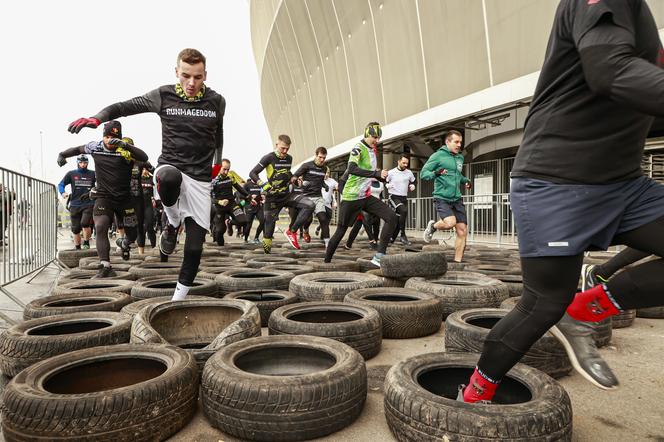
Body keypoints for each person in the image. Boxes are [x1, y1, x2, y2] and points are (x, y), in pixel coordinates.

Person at [458, 0, 664, 404]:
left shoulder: (644, 24)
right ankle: (474, 396)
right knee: (543, 304)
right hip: (555, 182)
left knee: (564, 304)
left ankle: (587, 308)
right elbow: (610, 72)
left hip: (623, 186)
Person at [67, 48, 225, 300]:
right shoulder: (162, 95)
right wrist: (97, 119)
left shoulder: (217, 101)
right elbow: (124, 106)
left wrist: (217, 162)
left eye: (197, 77)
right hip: (170, 166)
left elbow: (218, 135)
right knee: (169, 178)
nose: (191, 83)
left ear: (205, 74)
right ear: (177, 73)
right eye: (186, 76)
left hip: (200, 177)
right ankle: (172, 223)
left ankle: (177, 301)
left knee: (194, 249)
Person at [58, 121, 148, 277]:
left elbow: (144, 157)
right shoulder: (96, 147)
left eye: (113, 138)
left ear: (119, 138)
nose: (109, 141)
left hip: (124, 199)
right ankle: (105, 266)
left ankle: (125, 243)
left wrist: (124, 145)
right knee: (101, 226)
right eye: (106, 137)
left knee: (133, 234)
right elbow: (77, 149)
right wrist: (62, 155)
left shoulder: (125, 151)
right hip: (103, 197)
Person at [324, 122, 397, 266]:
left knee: (391, 217)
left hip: (366, 196)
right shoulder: (358, 147)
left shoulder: (373, 150)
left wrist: (380, 176)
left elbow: (368, 174)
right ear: (366, 134)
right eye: (374, 137)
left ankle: (380, 255)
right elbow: (351, 168)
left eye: (378, 137)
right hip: (351, 197)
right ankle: (325, 262)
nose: (377, 140)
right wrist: (375, 173)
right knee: (340, 232)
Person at [248, 135, 315, 253]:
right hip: (272, 198)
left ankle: (292, 231)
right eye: (282, 148)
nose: (285, 151)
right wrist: (263, 184)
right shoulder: (268, 158)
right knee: (268, 234)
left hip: (287, 195)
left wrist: (295, 179)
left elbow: (287, 173)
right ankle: (266, 255)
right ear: (276, 145)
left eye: (287, 149)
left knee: (310, 205)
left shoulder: (289, 158)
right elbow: (252, 173)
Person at [421, 130, 471, 263]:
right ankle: (433, 227)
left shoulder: (460, 157)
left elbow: (458, 175)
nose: (459, 145)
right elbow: (423, 174)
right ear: (447, 142)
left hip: (457, 199)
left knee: (462, 231)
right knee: (450, 223)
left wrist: (465, 181)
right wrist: (436, 173)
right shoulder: (437, 156)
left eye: (460, 142)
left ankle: (457, 263)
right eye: (456, 142)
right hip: (442, 197)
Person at [291, 146, 332, 247]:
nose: (322, 160)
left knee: (323, 219)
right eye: (320, 157)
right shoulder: (306, 166)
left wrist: (325, 186)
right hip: (306, 197)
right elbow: (294, 177)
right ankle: (305, 230)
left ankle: (328, 244)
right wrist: (300, 183)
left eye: (324, 158)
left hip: (318, 197)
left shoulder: (324, 168)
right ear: (316, 155)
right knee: (308, 219)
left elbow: (321, 181)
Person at [58, 154, 95, 250]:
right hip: (74, 204)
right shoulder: (71, 174)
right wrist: (63, 193)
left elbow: (101, 184)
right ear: (78, 163)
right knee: (75, 228)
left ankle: (86, 242)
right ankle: (77, 247)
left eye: (85, 163)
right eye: (81, 162)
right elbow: (61, 184)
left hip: (88, 203)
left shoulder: (93, 174)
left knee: (85, 223)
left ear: (87, 163)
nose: (83, 164)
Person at [211, 159, 248, 246]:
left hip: (231, 204)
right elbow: (206, 196)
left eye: (228, 169)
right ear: (219, 168)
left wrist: (248, 196)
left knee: (243, 221)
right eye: (224, 169)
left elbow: (238, 187)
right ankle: (220, 248)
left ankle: (229, 223)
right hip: (219, 207)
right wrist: (219, 201)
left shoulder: (230, 176)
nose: (226, 171)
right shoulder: (213, 179)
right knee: (220, 230)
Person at [386, 154, 416, 245]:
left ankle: (391, 238)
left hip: (403, 197)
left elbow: (414, 181)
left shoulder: (409, 172)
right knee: (404, 211)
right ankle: (403, 235)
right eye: (403, 163)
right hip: (393, 197)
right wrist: (387, 185)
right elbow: (385, 181)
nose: (405, 165)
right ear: (398, 162)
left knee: (400, 219)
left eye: (407, 163)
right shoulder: (391, 172)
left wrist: (413, 185)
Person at [316, 170, 338, 239]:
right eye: (325, 173)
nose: (326, 174)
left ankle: (319, 228)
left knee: (327, 221)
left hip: (328, 204)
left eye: (328, 173)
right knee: (323, 220)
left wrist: (335, 202)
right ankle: (323, 238)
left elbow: (333, 192)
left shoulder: (332, 181)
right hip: (320, 203)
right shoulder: (318, 180)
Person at [243, 179, 265, 244]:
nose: (257, 178)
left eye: (257, 176)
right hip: (249, 207)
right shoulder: (247, 185)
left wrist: (262, 197)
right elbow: (242, 195)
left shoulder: (259, 184)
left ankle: (256, 238)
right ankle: (246, 239)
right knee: (249, 224)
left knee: (263, 221)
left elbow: (262, 194)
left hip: (258, 207)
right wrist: (250, 196)